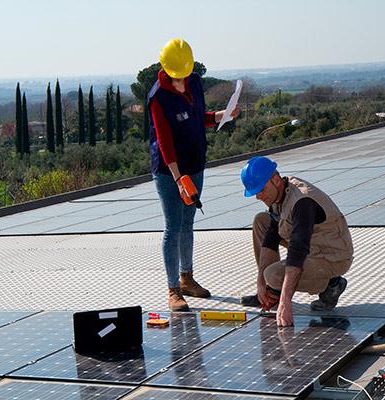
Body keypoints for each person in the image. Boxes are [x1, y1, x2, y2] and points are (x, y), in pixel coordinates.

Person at [148, 38, 240, 311]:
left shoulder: (195, 82)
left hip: (195, 164)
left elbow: (199, 116)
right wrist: (178, 179)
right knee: (172, 227)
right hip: (170, 171)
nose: (182, 80)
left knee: (188, 223)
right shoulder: (157, 97)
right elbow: (164, 142)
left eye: (185, 74)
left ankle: (187, 278)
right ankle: (173, 289)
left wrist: (223, 115)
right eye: (178, 76)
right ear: (166, 70)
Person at [239, 156, 354, 326]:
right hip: (312, 245)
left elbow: (297, 251)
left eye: (260, 190)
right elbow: (271, 237)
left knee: (273, 274)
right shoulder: (280, 194)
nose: (258, 196)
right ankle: (270, 292)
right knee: (261, 221)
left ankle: (332, 284)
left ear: (275, 180)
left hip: (332, 255)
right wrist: (260, 284)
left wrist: (285, 301)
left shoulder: (302, 201)